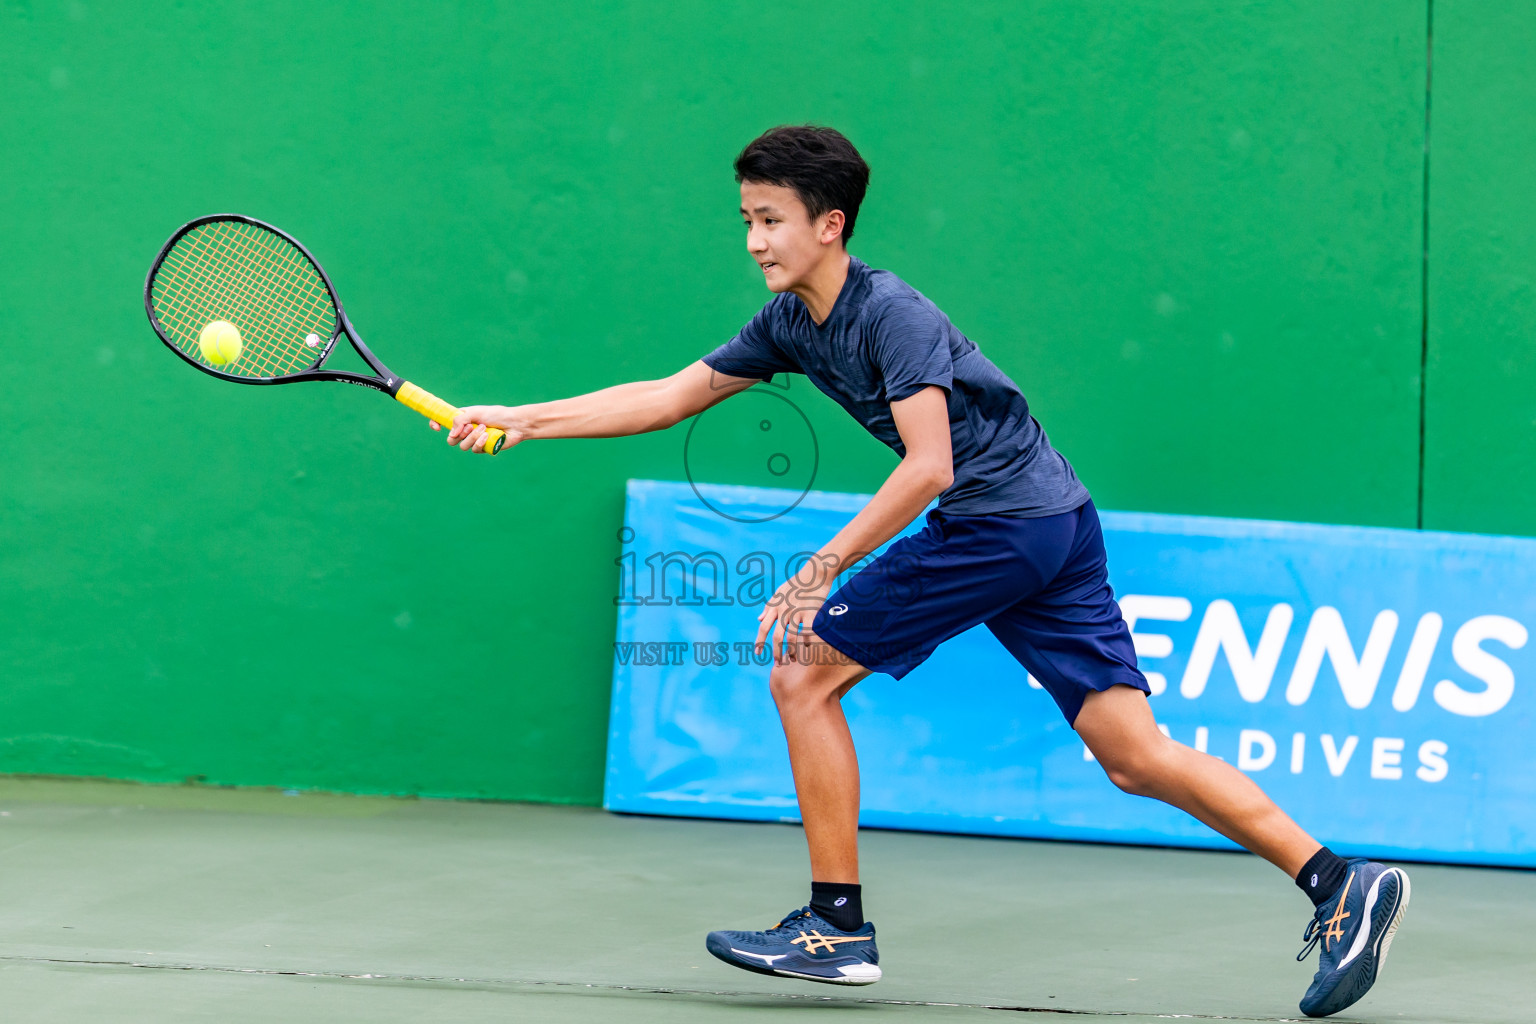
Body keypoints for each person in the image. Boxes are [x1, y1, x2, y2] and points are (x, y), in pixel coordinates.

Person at [437, 125, 1409, 1018]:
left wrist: (824, 564)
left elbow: (931, 466)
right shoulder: (787, 324)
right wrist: (522, 416)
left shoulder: (888, 313)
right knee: (1131, 752)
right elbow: (668, 397)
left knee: (802, 672)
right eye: (746, 220)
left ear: (830, 224)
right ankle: (1337, 879)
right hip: (1055, 521)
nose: (754, 241)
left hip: (996, 523)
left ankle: (834, 923)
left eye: (770, 221)